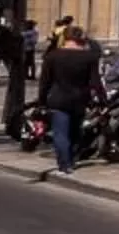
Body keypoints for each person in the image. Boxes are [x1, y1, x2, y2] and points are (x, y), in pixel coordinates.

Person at [38, 22, 100, 175]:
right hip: (79, 99)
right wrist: (102, 100)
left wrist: (41, 101)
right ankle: (71, 159)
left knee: (60, 133)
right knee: (75, 132)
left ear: (65, 38)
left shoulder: (53, 56)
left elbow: (45, 81)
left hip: (58, 98)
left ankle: (65, 163)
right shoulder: (89, 57)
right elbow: (95, 81)